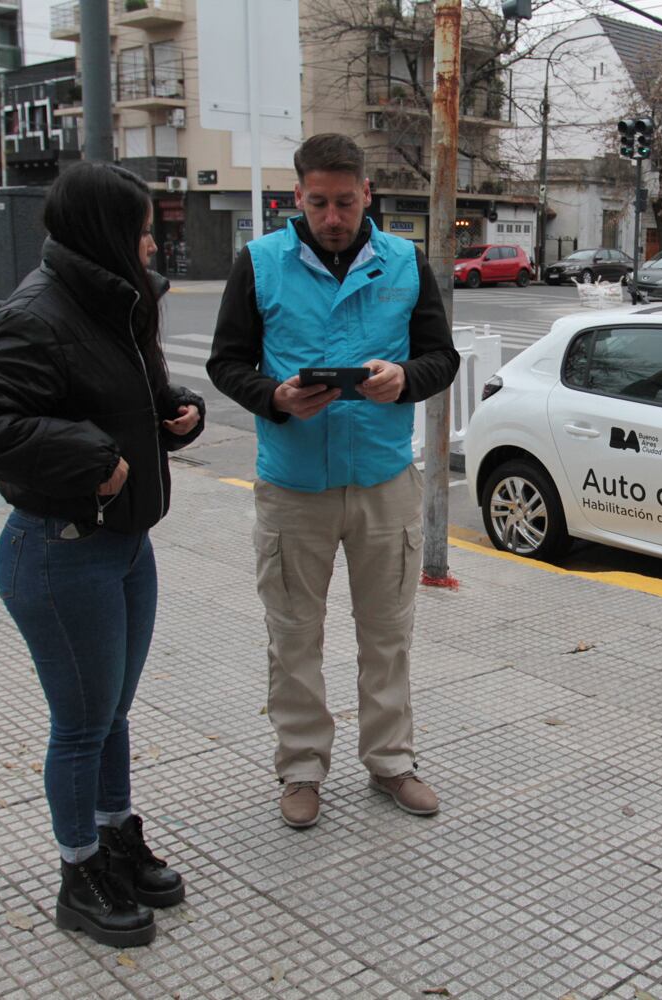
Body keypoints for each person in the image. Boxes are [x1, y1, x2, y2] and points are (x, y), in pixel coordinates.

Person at [0, 162, 206, 949]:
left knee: (112, 714)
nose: (153, 240)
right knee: (81, 726)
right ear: (107, 234)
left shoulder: (112, 305)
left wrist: (169, 411)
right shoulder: (37, 313)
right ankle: (78, 872)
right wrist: (89, 454)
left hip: (123, 544)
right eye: (143, 227)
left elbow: (111, 390)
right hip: (61, 554)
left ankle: (114, 834)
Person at [208, 133, 458, 830]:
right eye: (318, 202)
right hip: (293, 485)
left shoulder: (406, 262)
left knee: (388, 634)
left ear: (366, 195)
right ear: (298, 197)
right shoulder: (259, 264)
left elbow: (443, 358)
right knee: (293, 634)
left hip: (382, 480)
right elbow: (226, 363)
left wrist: (406, 377)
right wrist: (274, 398)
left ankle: (391, 761)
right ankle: (301, 769)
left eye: (345, 202)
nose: (332, 216)